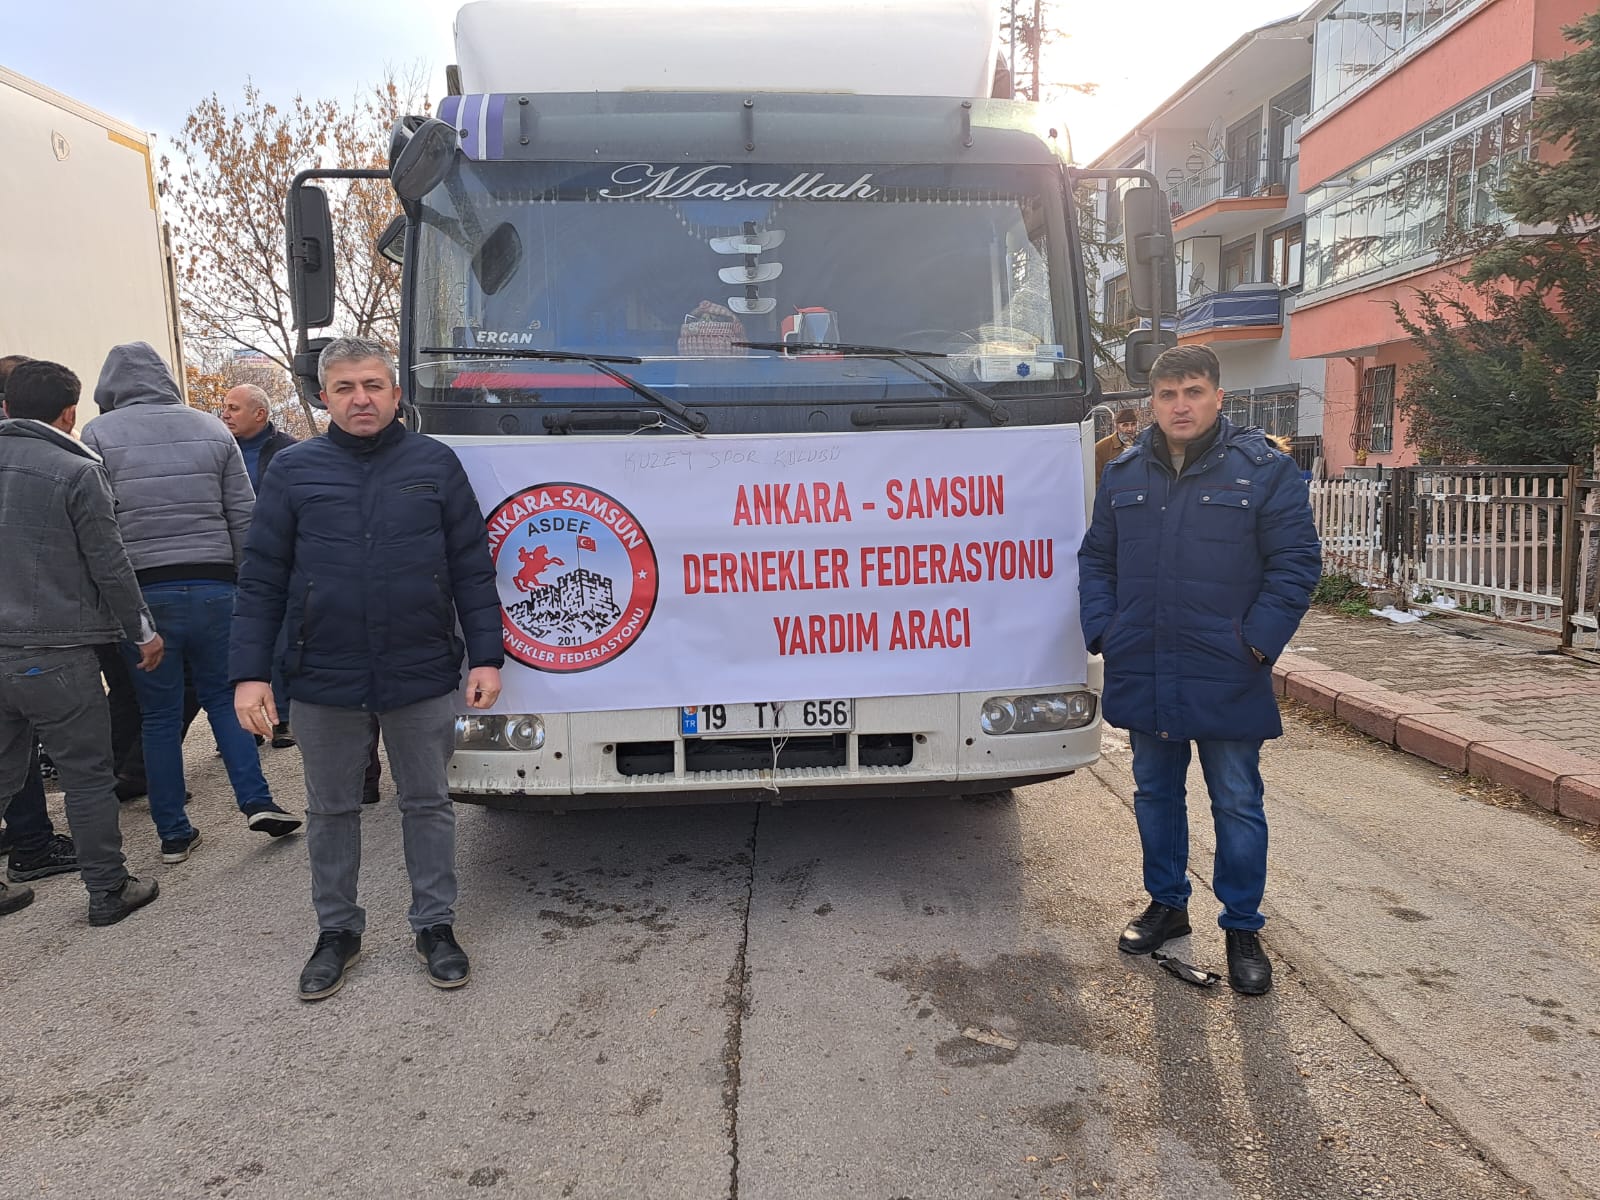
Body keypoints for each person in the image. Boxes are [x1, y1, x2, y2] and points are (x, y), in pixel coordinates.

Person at [230, 336, 504, 1001]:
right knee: (330, 810)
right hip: (324, 670)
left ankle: (435, 925)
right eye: (346, 388)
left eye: (374, 386)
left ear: (395, 394)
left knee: (428, 803)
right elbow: (262, 578)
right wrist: (250, 674)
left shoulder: (435, 464)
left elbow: (471, 566)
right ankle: (337, 931)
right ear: (324, 398)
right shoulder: (293, 470)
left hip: (421, 665)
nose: (361, 399)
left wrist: (487, 655)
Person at [1077, 344, 1320, 995]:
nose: (1180, 405)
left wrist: (1256, 645)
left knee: (1236, 801)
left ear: (1218, 397)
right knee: (1155, 793)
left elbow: (1296, 563)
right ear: (1152, 402)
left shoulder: (1263, 470)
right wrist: (1106, 630)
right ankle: (1168, 904)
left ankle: (1242, 927)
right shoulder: (1124, 472)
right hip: (1146, 663)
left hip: (1227, 668)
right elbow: (1097, 559)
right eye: (1167, 394)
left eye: (1193, 392)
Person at [83, 343, 302, 863]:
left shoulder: (98, 435)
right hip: (214, 587)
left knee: (159, 715)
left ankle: (174, 833)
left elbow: (98, 524)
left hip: (143, 593)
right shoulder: (211, 429)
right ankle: (257, 801)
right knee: (226, 697)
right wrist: (250, 587)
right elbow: (244, 516)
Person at [0, 359, 162, 924]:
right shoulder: (75, 470)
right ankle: (108, 888)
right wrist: (142, 630)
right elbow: (109, 563)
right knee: (86, 775)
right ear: (70, 413)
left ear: (6, 406)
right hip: (55, 650)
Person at [219, 383, 299, 749]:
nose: (225, 414)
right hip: (232, 560)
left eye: (234, 408)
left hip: (279, 559)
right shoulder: (220, 449)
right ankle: (244, 725)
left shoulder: (290, 453)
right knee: (238, 638)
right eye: (225, 407)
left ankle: (283, 718)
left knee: (281, 639)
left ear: (260, 414)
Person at [1094, 407, 1140, 479]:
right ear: (1116, 426)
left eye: (1133, 424)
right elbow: (1097, 479)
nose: (1130, 429)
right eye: (1125, 425)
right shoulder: (1101, 447)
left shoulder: (1143, 444)